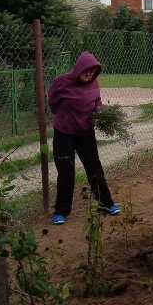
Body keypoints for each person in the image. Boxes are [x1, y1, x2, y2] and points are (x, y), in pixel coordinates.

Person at [47, 51, 121, 224]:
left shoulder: (94, 82)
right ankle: (61, 211)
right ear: (79, 68)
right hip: (64, 133)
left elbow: (97, 102)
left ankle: (106, 203)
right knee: (66, 172)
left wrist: (100, 111)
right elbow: (53, 100)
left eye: (93, 72)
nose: (89, 74)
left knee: (94, 169)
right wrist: (62, 116)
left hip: (86, 133)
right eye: (87, 71)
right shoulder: (62, 81)